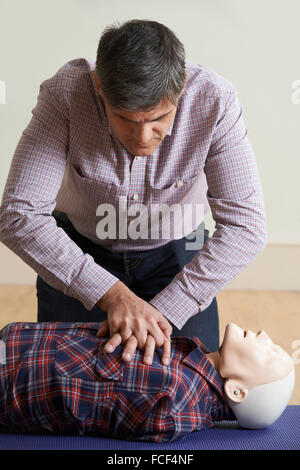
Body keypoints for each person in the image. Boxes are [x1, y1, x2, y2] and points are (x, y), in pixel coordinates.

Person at [0, 19, 267, 366]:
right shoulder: (66, 93)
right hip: (80, 246)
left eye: (159, 118)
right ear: (99, 87)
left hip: (178, 253)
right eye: (126, 119)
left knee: (195, 391)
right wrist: (111, 295)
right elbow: (18, 214)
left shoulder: (214, 100)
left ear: (182, 86)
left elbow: (247, 227)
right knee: (59, 392)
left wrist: (162, 313)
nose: (143, 138)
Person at [0, 322, 294, 443]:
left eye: (268, 354)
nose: (264, 335)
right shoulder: (190, 357)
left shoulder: (173, 394)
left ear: (237, 390)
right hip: (16, 343)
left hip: (9, 371)